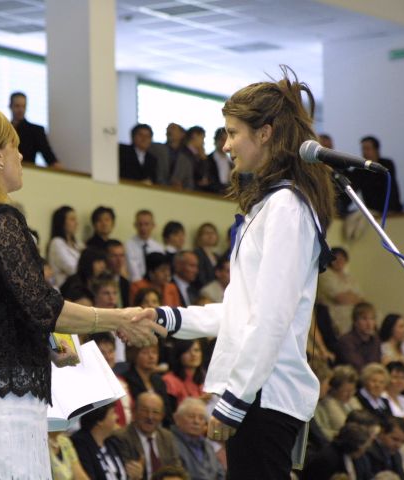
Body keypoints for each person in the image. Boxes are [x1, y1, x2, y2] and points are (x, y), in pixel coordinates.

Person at [0, 104, 164, 479]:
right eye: (14, 146)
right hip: (7, 415)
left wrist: (47, 345)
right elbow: (44, 306)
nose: (20, 156)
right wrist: (118, 318)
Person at [138, 67, 337, 478]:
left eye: (232, 133)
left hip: (265, 396)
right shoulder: (268, 206)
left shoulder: (287, 207)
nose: (225, 145)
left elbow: (271, 318)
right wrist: (165, 318)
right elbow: (240, 312)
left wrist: (234, 401)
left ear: (264, 133)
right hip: (256, 395)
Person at [111, 392, 182, 479]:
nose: (150, 417)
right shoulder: (120, 438)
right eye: (144, 410)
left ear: (162, 416)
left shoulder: (167, 437)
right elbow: (123, 475)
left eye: (155, 412)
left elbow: (177, 471)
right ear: (134, 411)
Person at [71, 403, 143, 480]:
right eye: (113, 412)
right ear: (99, 421)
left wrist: (135, 476)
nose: (117, 417)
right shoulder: (80, 445)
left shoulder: (112, 442)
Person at [169, 397, 225, 480]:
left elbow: (220, 473)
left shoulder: (207, 445)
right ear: (177, 419)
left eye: (201, 418)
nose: (196, 421)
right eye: (191, 416)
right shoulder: (169, 442)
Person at [317, 247, 365, 335]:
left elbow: (361, 298)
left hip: (355, 309)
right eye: (336, 258)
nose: (339, 261)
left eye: (342, 258)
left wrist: (349, 296)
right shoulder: (325, 274)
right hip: (333, 311)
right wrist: (352, 296)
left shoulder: (349, 277)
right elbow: (339, 298)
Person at [349, 136, 403, 213]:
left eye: (367, 149)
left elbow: (392, 189)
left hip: (391, 211)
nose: (364, 152)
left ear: (376, 150)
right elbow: (351, 190)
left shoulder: (386, 165)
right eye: (363, 149)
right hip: (372, 212)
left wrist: (391, 210)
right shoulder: (359, 170)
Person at [9, 91, 62, 168]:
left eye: (23, 106)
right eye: (17, 106)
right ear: (10, 106)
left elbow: (49, 156)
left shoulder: (36, 131)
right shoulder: (4, 130)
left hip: (27, 171)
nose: (21, 110)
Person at [314, 365, 363, 441]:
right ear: (334, 389)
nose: (350, 395)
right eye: (346, 391)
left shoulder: (353, 400)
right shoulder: (328, 402)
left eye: (352, 390)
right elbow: (343, 427)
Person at [337, 302, 381, 372]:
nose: (369, 323)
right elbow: (357, 366)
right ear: (355, 322)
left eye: (372, 319)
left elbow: (376, 364)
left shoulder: (375, 340)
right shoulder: (346, 341)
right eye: (364, 319)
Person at [162, 339, 206, 410]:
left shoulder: (204, 379)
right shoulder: (168, 380)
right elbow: (170, 411)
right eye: (187, 351)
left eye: (196, 350)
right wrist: (200, 401)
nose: (193, 354)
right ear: (179, 355)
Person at [48, 205, 84, 287]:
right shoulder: (56, 243)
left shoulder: (78, 244)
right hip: (65, 288)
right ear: (62, 222)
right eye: (72, 219)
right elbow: (72, 268)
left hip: (80, 285)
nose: (76, 223)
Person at [149, 123, 194, 190]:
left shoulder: (186, 160)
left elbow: (189, 184)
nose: (169, 130)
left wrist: (181, 188)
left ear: (182, 134)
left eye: (173, 128)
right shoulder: (155, 148)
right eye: (167, 128)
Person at [125, 210, 165, 282]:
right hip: (134, 284)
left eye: (146, 224)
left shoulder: (159, 248)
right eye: (140, 224)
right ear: (135, 225)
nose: (143, 228)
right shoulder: (127, 246)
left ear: (153, 225)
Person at [192, 222, 220, 289]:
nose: (210, 236)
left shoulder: (217, 256)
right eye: (206, 233)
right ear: (199, 237)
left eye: (213, 233)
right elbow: (199, 277)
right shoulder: (196, 253)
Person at [206, 127, 232, 193]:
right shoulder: (207, 160)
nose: (225, 143)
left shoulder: (232, 163)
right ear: (215, 140)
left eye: (227, 141)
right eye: (222, 140)